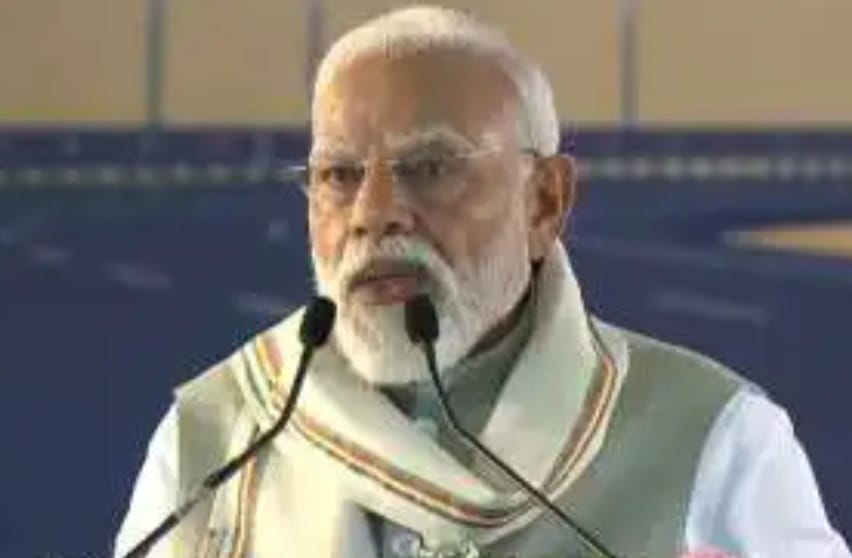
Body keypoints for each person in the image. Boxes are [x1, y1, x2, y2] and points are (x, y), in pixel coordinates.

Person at [114, 6, 850, 558]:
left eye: (431, 167)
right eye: (338, 175)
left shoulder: (711, 441)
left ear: (545, 201)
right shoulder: (216, 443)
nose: (372, 214)